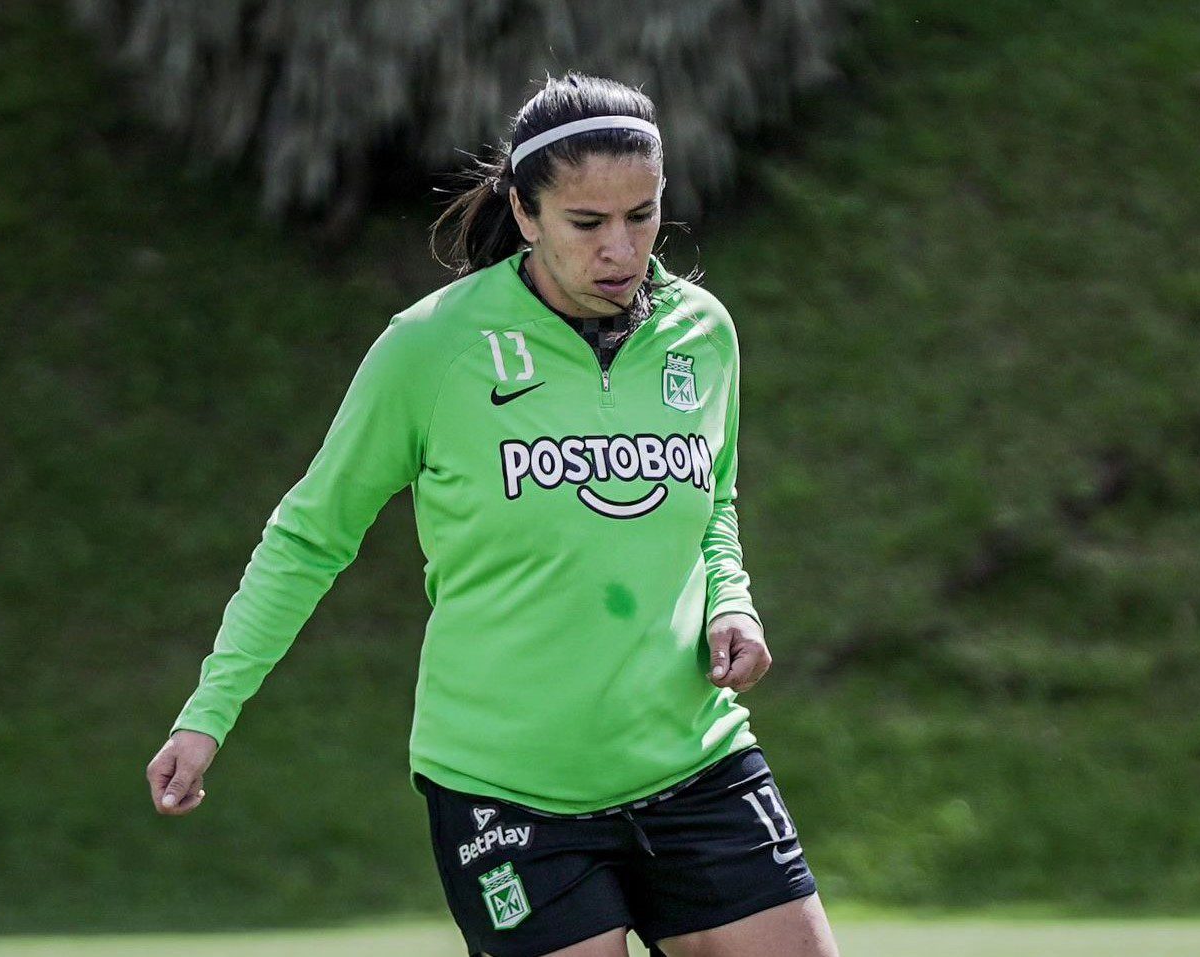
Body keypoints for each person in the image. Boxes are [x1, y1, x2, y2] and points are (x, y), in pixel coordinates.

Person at [145, 71, 841, 957]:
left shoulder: (702, 332)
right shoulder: (432, 346)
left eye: (642, 214)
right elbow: (310, 535)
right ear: (524, 212)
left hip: (692, 760)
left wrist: (730, 600)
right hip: (506, 789)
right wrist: (209, 712)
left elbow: (713, 504)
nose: (620, 250)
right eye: (586, 223)